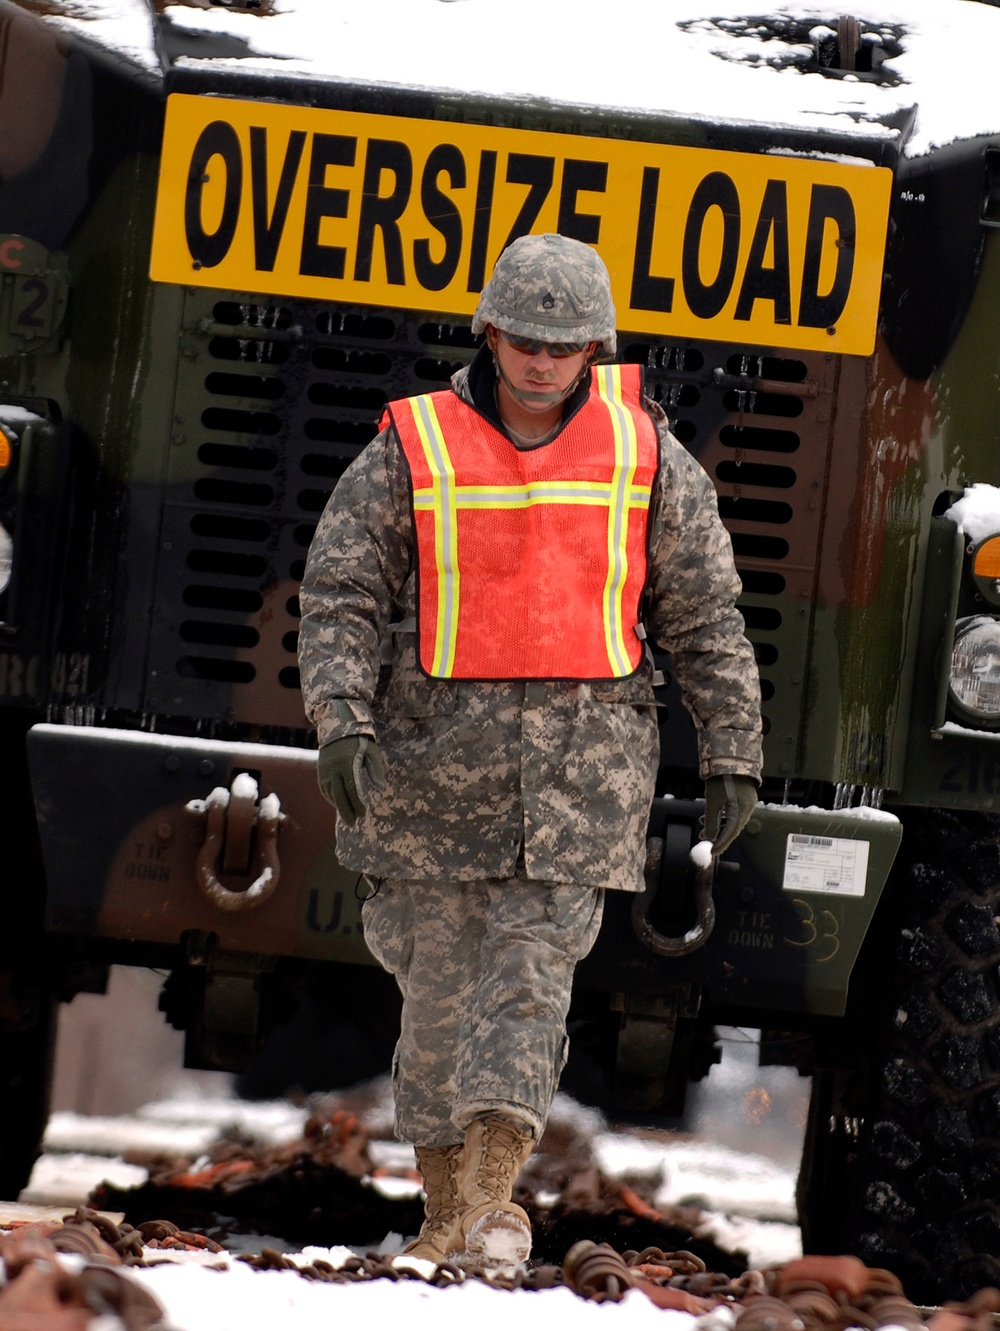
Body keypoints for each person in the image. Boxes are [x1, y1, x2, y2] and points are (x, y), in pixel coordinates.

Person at [297, 233, 762, 1270]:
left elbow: (704, 614)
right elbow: (342, 597)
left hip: (578, 785)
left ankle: (495, 1204)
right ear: (489, 333)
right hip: (425, 778)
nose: (544, 363)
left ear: (593, 345)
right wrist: (341, 723)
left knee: (527, 982)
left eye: (564, 345)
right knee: (435, 1000)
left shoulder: (647, 456)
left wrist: (732, 745)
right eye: (527, 342)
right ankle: (446, 1209)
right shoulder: (410, 449)